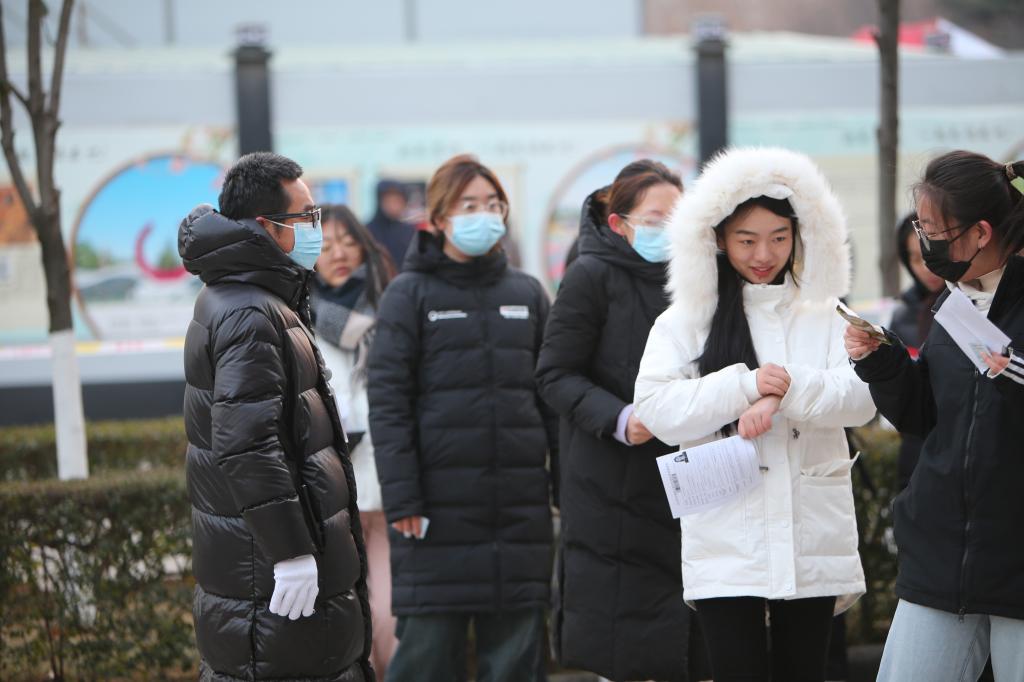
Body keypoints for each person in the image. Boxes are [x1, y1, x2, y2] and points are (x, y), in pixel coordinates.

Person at [633, 146, 876, 682]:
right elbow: (656, 408)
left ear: (801, 235)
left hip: (811, 530)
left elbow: (862, 397)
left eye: (779, 238)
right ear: (718, 239)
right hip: (725, 531)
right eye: (746, 240)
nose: (763, 254)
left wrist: (784, 388)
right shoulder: (686, 319)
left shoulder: (829, 314)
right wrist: (744, 386)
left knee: (804, 670)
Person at [178, 152, 372, 681]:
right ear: (267, 226)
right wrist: (290, 552)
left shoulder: (249, 295)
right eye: (307, 216)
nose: (317, 229)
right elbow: (247, 444)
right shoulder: (249, 310)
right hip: (268, 578)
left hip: (262, 573)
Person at [367, 154, 558, 682]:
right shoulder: (408, 294)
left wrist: (564, 488)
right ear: (439, 217)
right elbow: (389, 402)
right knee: (426, 660)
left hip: (517, 515)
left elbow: (551, 399)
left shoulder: (526, 293)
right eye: (469, 205)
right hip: (434, 517)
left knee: (516, 662)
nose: (484, 216)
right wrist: (403, 498)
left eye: (493, 205)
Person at [847, 150, 1024, 681]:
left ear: (981, 233)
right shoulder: (953, 303)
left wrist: (1012, 373)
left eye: (932, 230)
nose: (924, 243)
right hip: (942, 559)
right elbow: (927, 415)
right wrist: (883, 362)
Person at [535, 160, 709, 682]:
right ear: (619, 223)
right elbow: (554, 373)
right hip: (612, 483)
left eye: (678, 219)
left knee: (691, 641)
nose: (668, 231)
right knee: (624, 648)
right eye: (655, 220)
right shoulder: (590, 275)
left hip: (690, 478)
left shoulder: (698, 278)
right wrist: (620, 418)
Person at [311, 205, 397, 681]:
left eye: (348, 242)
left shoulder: (392, 314)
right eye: (325, 245)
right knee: (346, 626)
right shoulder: (296, 323)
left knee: (391, 620)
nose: (339, 254)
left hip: (388, 492)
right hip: (331, 500)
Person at [889, 213, 946, 490]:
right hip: (915, 458)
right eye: (914, 258)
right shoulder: (903, 315)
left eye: (929, 254)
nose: (925, 267)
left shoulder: (971, 304)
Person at [366, 179, 417, 271]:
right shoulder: (367, 231)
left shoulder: (409, 231)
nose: (394, 205)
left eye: (398, 201)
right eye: (390, 200)